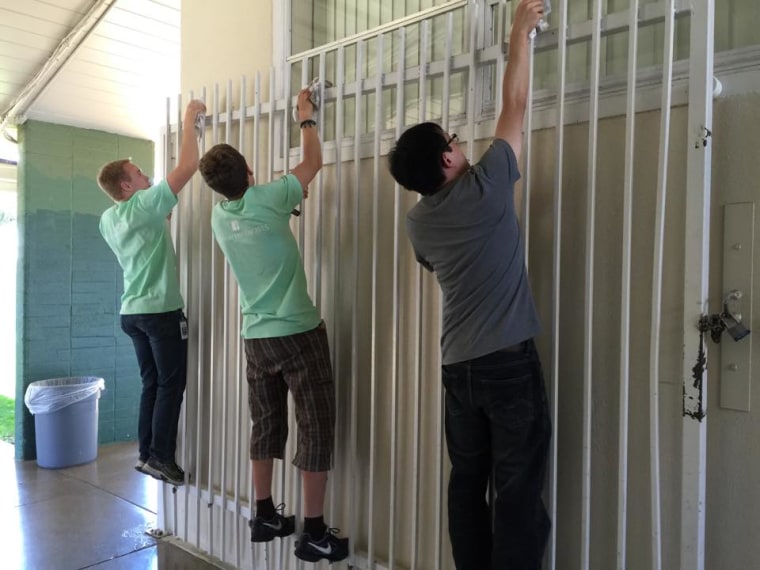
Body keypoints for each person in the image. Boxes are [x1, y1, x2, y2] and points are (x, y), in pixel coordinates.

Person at [387, 1, 551, 568]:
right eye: (451, 138)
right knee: (518, 489)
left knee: (467, 484)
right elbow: (516, 102)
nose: (458, 141)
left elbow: (433, 266)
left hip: (459, 367)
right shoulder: (489, 184)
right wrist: (519, 32)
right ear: (449, 156)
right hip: (507, 362)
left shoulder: (418, 222)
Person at [198, 88, 348, 563]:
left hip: (256, 338)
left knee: (265, 424)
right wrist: (306, 118)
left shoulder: (220, 216)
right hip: (299, 333)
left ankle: (263, 513)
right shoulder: (271, 196)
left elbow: (278, 193)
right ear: (248, 172)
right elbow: (313, 163)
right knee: (315, 428)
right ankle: (315, 532)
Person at [97, 98, 207, 487]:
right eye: (139, 173)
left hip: (132, 313)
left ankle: (147, 454)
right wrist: (189, 120)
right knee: (170, 385)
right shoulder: (144, 204)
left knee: (151, 384)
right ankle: (161, 457)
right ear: (126, 185)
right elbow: (188, 167)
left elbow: (147, 228)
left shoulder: (109, 219)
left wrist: (161, 217)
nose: (146, 176)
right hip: (161, 311)